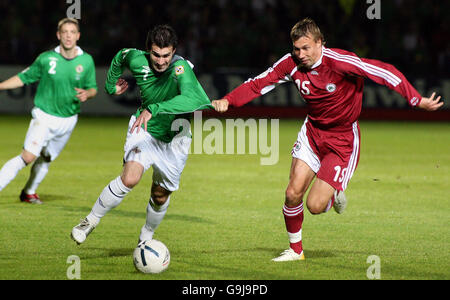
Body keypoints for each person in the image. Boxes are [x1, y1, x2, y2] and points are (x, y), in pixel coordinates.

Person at [212, 18, 443, 262]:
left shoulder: (340, 62)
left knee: (315, 206)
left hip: (343, 140)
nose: (300, 54)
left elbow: (384, 71)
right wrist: (229, 99)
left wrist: (416, 99)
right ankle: (295, 250)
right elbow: (259, 83)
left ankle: (333, 195)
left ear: (320, 43)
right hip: (312, 133)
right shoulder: (290, 64)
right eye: (296, 49)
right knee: (292, 193)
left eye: (306, 48)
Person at [71, 25, 213, 245]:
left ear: (174, 51)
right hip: (144, 129)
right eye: (156, 54)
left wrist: (154, 108)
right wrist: (110, 86)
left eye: (166, 55)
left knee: (160, 195)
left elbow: (197, 100)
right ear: (149, 50)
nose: (161, 61)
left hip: (177, 138)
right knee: (130, 178)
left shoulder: (181, 69)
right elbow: (120, 57)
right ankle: (89, 221)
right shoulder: (137, 59)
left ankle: (146, 237)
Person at [0, 18, 97, 204]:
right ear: (58, 35)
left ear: (78, 36)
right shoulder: (46, 59)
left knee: (46, 157)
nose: (68, 36)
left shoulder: (86, 61)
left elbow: (93, 87)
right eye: (65, 32)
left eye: (72, 32)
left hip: (68, 120)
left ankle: (29, 192)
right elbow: (24, 77)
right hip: (44, 116)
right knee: (28, 156)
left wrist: (88, 94)